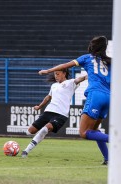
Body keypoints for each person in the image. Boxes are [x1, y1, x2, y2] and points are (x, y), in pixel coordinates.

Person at [38, 36, 111, 165]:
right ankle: (108, 158)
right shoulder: (109, 62)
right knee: (94, 130)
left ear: (92, 46)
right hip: (108, 97)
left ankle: (116, 140)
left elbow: (65, 65)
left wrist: (48, 71)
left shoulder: (87, 58)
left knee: (83, 133)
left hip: (95, 96)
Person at [21, 69, 87, 158]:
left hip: (61, 114)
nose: (56, 76)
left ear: (64, 73)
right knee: (30, 131)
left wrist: (89, 75)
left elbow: (80, 79)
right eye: (55, 74)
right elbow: (48, 97)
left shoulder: (70, 83)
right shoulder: (54, 85)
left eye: (57, 74)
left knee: (45, 129)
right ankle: (15, 146)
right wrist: (39, 106)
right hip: (48, 111)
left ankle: (26, 151)